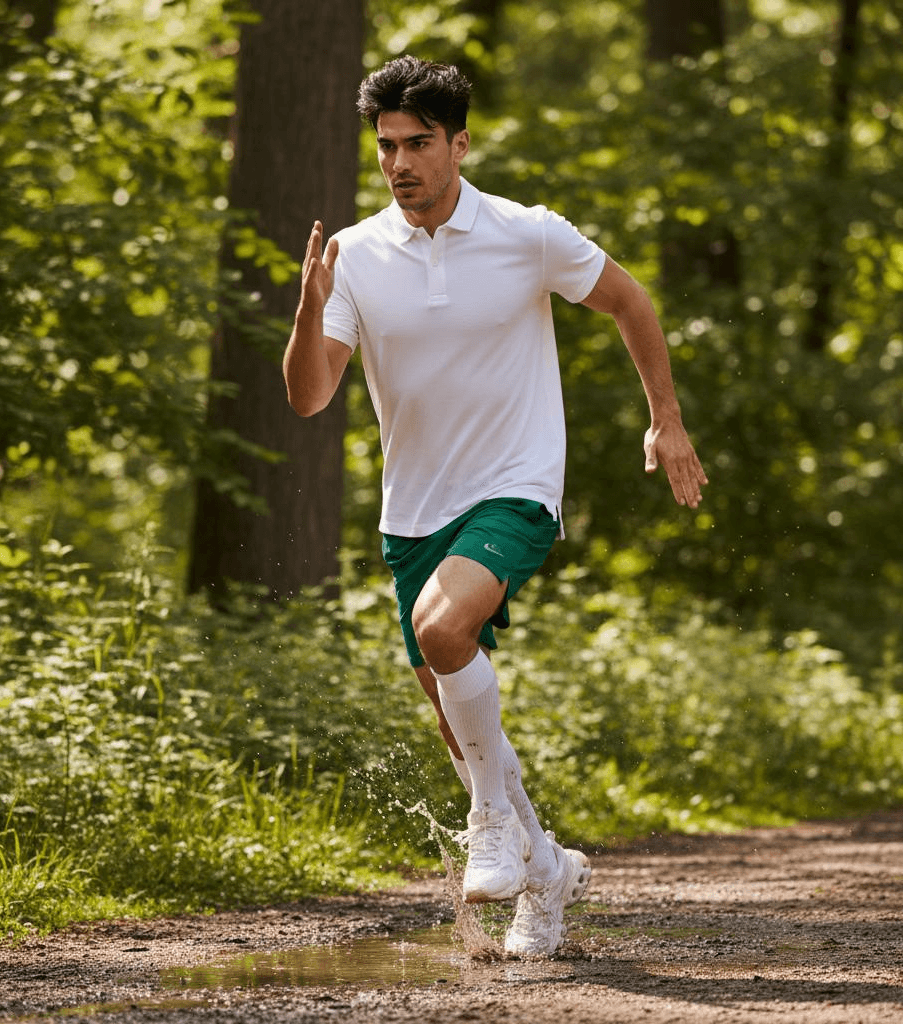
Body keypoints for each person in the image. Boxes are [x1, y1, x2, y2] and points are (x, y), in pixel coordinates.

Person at [283, 56, 707, 957]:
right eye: (386, 146)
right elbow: (311, 398)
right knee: (454, 712)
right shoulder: (354, 256)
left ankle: (489, 824)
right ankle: (547, 874)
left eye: (418, 143)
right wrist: (305, 317)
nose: (399, 163)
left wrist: (665, 421)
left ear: (459, 144)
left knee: (444, 634)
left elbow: (630, 301)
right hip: (414, 512)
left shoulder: (528, 234)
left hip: (516, 484)